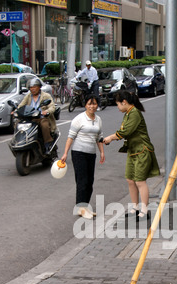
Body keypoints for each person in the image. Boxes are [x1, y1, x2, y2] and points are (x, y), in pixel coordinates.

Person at [103, 90, 160, 220]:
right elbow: (124, 131)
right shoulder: (128, 113)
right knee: (130, 180)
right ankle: (135, 207)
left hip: (142, 150)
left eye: (118, 104)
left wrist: (111, 138)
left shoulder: (134, 113)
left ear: (124, 102)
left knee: (140, 181)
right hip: (133, 150)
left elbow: (126, 131)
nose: (117, 107)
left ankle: (144, 210)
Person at [60, 94, 105, 219]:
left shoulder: (98, 119)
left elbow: (99, 137)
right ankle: (80, 208)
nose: (92, 106)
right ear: (85, 105)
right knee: (82, 181)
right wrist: (65, 153)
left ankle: (85, 207)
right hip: (78, 153)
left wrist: (101, 152)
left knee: (90, 182)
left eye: (94, 103)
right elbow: (71, 137)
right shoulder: (79, 119)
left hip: (91, 153)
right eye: (89, 104)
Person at [17, 78, 56, 154]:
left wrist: (46, 111)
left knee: (44, 125)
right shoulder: (28, 96)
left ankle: (47, 144)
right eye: (31, 87)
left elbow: (52, 107)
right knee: (18, 124)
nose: (33, 89)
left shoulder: (46, 96)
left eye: (34, 87)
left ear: (39, 87)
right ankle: (19, 141)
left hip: (42, 118)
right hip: (30, 118)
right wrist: (16, 111)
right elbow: (21, 105)